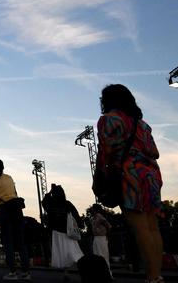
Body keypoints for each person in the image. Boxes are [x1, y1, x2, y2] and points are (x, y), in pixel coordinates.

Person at [96, 84, 163, 283]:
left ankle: (151, 277)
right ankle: (156, 276)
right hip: (151, 175)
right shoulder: (142, 124)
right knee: (152, 227)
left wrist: (100, 178)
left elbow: (104, 152)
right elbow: (155, 152)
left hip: (129, 175)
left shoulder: (108, 120)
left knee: (139, 227)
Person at [0, 158, 30, 281]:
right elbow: (15, 192)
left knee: (8, 242)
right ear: (3, 167)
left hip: (6, 208)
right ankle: (26, 273)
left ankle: (12, 272)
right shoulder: (9, 177)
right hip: (17, 208)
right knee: (21, 242)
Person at [42, 184, 83, 277]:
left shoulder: (51, 204)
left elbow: (44, 202)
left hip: (57, 232)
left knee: (62, 254)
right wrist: (80, 224)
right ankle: (82, 270)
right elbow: (75, 214)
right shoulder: (67, 203)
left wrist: (49, 193)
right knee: (75, 253)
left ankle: (66, 273)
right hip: (68, 231)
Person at [90, 204, 112, 277]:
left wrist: (107, 235)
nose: (91, 209)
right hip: (96, 238)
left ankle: (108, 275)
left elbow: (108, 226)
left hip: (101, 237)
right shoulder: (94, 217)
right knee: (97, 256)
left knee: (103, 256)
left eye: (93, 208)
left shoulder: (99, 217)